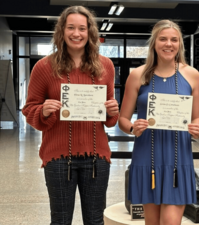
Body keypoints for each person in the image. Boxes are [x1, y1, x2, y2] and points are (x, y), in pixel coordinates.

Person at [22, 6, 119, 225]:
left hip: (96, 156)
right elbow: (29, 110)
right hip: (57, 157)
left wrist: (113, 111)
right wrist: (43, 110)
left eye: (82, 28)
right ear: (62, 31)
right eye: (71, 28)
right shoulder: (44, 67)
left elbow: (109, 118)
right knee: (61, 220)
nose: (77, 33)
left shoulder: (106, 66)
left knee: (95, 220)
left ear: (90, 32)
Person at [118, 20, 199, 225]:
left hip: (178, 157)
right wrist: (132, 128)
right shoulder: (138, 75)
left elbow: (197, 117)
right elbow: (123, 119)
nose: (168, 44)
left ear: (180, 44)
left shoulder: (191, 75)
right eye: (163, 39)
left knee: (170, 222)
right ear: (154, 43)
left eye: (174, 40)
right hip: (148, 155)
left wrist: (197, 128)